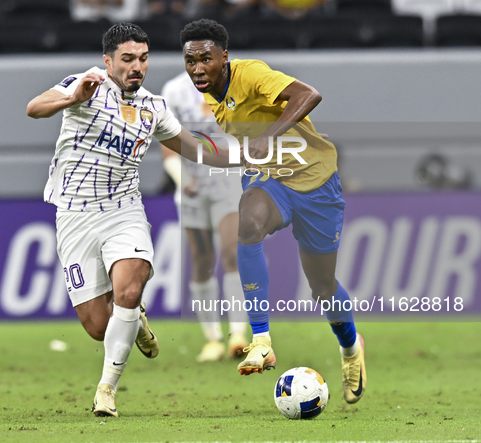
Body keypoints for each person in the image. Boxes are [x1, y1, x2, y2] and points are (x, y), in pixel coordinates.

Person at [26, 22, 231, 417]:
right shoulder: (84, 85)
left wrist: (249, 157)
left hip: (124, 211)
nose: (137, 66)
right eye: (128, 59)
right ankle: (134, 322)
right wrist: (71, 99)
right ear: (108, 61)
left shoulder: (153, 107)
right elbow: (34, 108)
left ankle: (106, 389)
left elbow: (191, 147)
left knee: (129, 286)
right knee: (99, 327)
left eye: (143, 58)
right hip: (75, 215)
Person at [179, 19, 367, 405]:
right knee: (247, 227)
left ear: (224, 57)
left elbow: (309, 95)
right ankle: (261, 340)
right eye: (190, 60)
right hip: (271, 179)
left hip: (316, 182)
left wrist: (270, 137)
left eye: (206, 59)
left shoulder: (250, 74)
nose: (198, 68)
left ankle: (351, 350)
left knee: (322, 288)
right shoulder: (213, 94)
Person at [160, 71, 248, 362]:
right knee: (201, 258)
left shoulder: (236, 86)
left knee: (232, 252)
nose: (198, 64)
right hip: (192, 186)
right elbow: (167, 145)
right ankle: (212, 339)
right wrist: (181, 178)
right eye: (192, 57)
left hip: (228, 182)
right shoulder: (174, 91)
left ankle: (238, 334)